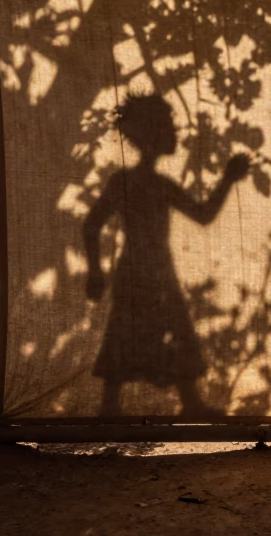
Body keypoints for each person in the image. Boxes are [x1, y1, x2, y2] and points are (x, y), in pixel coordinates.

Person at [83, 94, 250, 417]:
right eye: (168, 128)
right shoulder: (130, 182)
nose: (175, 134)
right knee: (132, 330)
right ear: (150, 135)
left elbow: (202, 215)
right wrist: (94, 271)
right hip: (140, 271)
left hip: (154, 270)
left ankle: (179, 403)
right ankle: (117, 406)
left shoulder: (153, 183)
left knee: (160, 328)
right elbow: (91, 224)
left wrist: (228, 180)